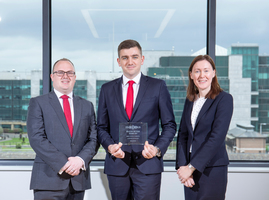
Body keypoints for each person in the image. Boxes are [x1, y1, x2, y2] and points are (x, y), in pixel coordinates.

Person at [97, 39, 177, 200]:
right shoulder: (107, 89)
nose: (130, 61)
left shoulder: (158, 86)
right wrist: (110, 147)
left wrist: (157, 149)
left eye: (134, 56)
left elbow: (169, 125)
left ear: (142, 59)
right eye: (125, 57)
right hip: (117, 165)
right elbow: (101, 127)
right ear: (119, 62)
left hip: (148, 165)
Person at [27, 58, 99, 200]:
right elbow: (37, 139)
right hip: (48, 181)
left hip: (77, 181)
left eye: (69, 73)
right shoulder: (38, 103)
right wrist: (65, 164)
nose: (65, 76)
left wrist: (80, 160)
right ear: (52, 77)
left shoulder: (87, 106)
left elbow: (94, 139)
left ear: (75, 77)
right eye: (60, 72)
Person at [176, 55, 233, 200]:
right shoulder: (190, 100)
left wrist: (190, 168)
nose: (202, 75)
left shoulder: (224, 99)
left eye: (206, 71)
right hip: (189, 171)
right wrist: (182, 168)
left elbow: (217, 138)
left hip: (212, 170)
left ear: (213, 73)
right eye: (197, 71)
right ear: (191, 75)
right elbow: (182, 135)